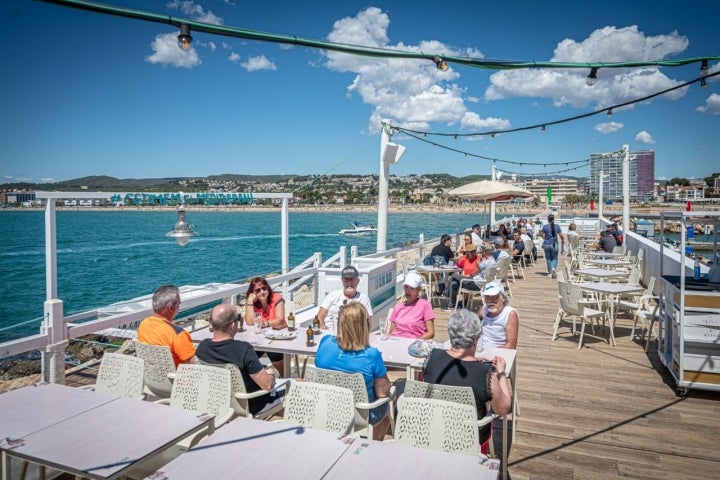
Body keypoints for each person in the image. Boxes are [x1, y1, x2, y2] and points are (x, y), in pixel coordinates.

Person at [422, 309, 512, 454]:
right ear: (475, 339)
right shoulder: (486, 374)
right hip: (470, 437)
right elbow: (503, 409)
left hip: (435, 429)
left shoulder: (431, 358)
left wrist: (475, 362)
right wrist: (501, 373)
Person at [315, 302, 392, 441]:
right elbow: (383, 393)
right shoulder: (371, 355)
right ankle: (374, 445)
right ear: (364, 325)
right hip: (359, 416)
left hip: (326, 409)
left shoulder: (325, 342)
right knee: (391, 400)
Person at [196, 304, 284, 416]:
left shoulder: (202, 347)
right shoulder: (243, 350)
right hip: (250, 405)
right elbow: (267, 385)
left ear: (212, 325)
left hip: (219, 403)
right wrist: (271, 374)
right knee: (293, 386)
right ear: (233, 325)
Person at [138, 284, 196, 367]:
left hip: (152, 376)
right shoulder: (178, 334)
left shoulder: (144, 324)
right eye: (179, 303)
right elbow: (193, 363)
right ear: (171, 307)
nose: (179, 305)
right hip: (178, 378)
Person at [245, 276, 286, 371]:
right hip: (260, 339)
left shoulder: (276, 298)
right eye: (257, 290)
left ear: (268, 288)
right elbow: (250, 321)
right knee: (248, 354)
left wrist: (266, 323)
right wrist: (250, 301)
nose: (262, 292)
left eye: (264, 288)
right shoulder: (253, 303)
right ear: (253, 293)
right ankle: (256, 379)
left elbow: (279, 319)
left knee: (274, 352)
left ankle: (284, 376)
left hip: (277, 337)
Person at [317, 265, 373, 333]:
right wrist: (322, 325)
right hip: (330, 332)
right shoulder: (332, 295)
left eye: (352, 279)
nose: (349, 283)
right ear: (342, 281)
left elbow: (368, 323)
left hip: (353, 335)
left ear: (358, 281)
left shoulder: (364, 299)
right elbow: (320, 315)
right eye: (346, 280)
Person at [388, 272, 435, 339]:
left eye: (412, 288)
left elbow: (431, 332)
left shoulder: (425, 305)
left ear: (418, 289)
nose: (408, 290)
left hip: (414, 343)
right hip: (396, 341)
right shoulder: (398, 307)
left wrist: (416, 342)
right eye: (406, 287)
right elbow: (391, 332)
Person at [477, 280, 519, 349]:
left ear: (503, 298)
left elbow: (511, 346)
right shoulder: (484, 308)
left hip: (497, 352)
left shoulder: (510, 314)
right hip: (479, 348)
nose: (490, 300)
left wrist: (489, 353)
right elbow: (471, 321)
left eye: (495, 296)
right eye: (487, 297)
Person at [445, 243, 481, 310]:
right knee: (453, 283)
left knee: (453, 276)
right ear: (467, 252)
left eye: (474, 251)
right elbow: (457, 267)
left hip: (473, 280)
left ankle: (446, 293)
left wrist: (470, 275)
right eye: (471, 252)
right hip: (464, 280)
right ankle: (452, 305)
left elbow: (480, 270)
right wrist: (458, 272)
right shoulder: (464, 259)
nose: (473, 253)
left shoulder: (478, 259)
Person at [541, 214, 562, 278]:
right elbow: (561, 236)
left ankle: (550, 272)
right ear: (553, 219)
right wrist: (563, 240)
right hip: (554, 244)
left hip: (547, 244)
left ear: (548, 220)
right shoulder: (557, 226)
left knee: (548, 259)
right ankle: (553, 269)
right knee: (555, 258)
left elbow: (543, 236)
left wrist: (542, 235)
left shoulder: (545, 226)